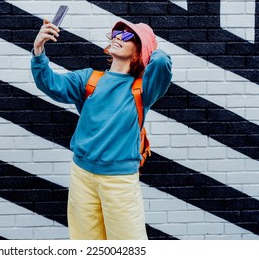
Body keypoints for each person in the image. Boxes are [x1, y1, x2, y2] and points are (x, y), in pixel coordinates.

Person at [31, 18, 172, 240]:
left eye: (127, 37)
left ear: (138, 51)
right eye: (116, 34)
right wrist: (38, 50)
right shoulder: (89, 79)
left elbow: (162, 62)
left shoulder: (143, 89)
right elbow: (50, 84)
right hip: (82, 175)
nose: (117, 37)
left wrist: (148, 45)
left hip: (119, 181)